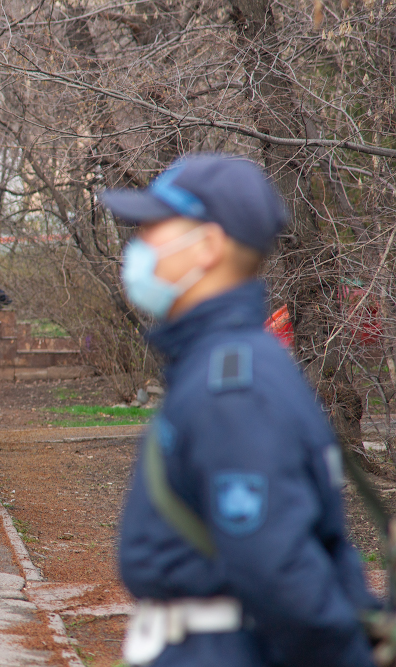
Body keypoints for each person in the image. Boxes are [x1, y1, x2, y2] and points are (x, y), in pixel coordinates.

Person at [100, 155, 377, 667]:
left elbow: (279, 571)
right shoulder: (224, 362)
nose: (137, 248)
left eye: (155, 229)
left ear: (206, 246)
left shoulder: (233, 384)